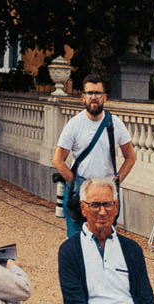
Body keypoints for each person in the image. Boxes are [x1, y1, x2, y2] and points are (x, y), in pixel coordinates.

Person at [52, 74, 136, 241]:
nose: (94, 97)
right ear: (83, 97)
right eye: (90, 93)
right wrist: (76, 183)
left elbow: (130, 157)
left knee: (106, 241)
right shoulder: (74, 124)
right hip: (79, 195)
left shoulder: (115, 123)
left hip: (106, 195)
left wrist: (116, 181)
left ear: (104, 97)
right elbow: (58, 160)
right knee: (76, 242)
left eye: (97, 93)